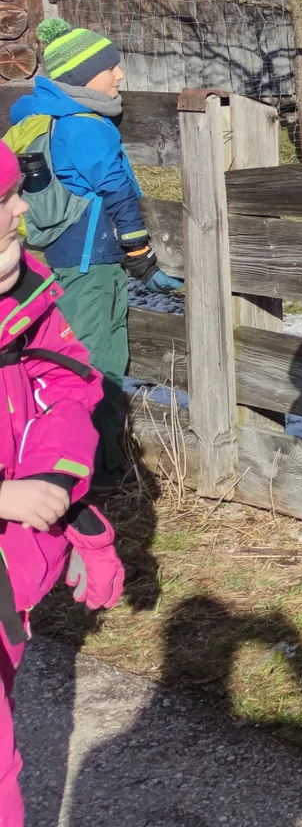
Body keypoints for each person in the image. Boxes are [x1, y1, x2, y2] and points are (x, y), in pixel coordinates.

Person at [0, 138, 125, 827]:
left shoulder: (26, 291)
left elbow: (67, 386)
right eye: (5, 198)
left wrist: (61, 495)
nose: (22, 207)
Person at [8, 18, 178, 486]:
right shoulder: (85, 126)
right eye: (110, 68)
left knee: (79, 357)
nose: (120, 74)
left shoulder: (46, 116)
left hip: (61, 261)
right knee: (94, 361)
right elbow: (118, 190)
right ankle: (91, 469)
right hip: (89, 266)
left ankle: (86, 460)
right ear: (83, 77)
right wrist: (139, 253)